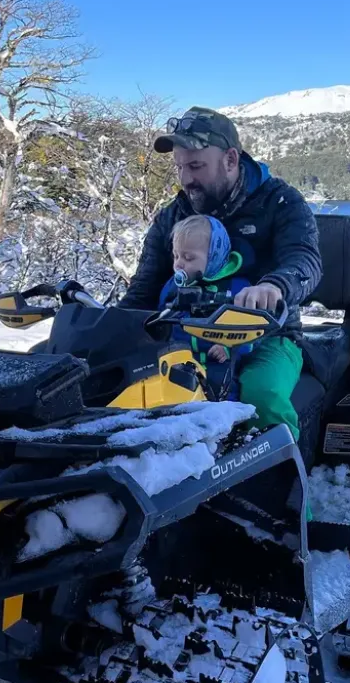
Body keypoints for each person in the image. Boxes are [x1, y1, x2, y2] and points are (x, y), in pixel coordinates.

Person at [120, 106, 322, 443]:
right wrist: (105, 325)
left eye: (196, 166)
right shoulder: (175, 216)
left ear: (230, 159)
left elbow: (305, 259)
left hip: (268, 337)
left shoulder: (279, 201)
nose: (186, 179)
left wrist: (274, 286)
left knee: (262, 396)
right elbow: (145, 287)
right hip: (184, 337)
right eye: (180, 167)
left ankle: (290, 492)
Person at [161, 214, 251, 367]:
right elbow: (161, 316)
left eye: (188, 258)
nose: (179, 264)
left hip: (218, 366)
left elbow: (251, 331)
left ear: (214, 258)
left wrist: (228, 348)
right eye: (176, 256)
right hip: (179, 363)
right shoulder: (173, 287)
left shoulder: (237, 288)